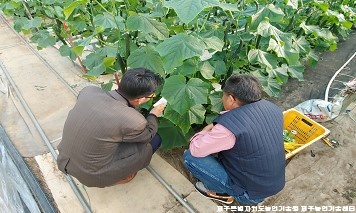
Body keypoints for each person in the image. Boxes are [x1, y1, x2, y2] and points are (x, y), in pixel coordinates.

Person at [183, 74, 285, 204]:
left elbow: (196, 149)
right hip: (272, 183)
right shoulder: (273, 108)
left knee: (190, 157)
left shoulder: (228, 129)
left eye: (223, 95)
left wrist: (204, 131)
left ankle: (217, 192)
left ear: (231, 99)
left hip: (250, 194)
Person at [57, 68, 165, 187]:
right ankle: (123, 175)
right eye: (151, 96)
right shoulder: (134, 120)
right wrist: (154, 114)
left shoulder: (89, 91)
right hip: (92, 175)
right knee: (155, 140)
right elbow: (148, 134)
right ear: (139, 99)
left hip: (64, 158)